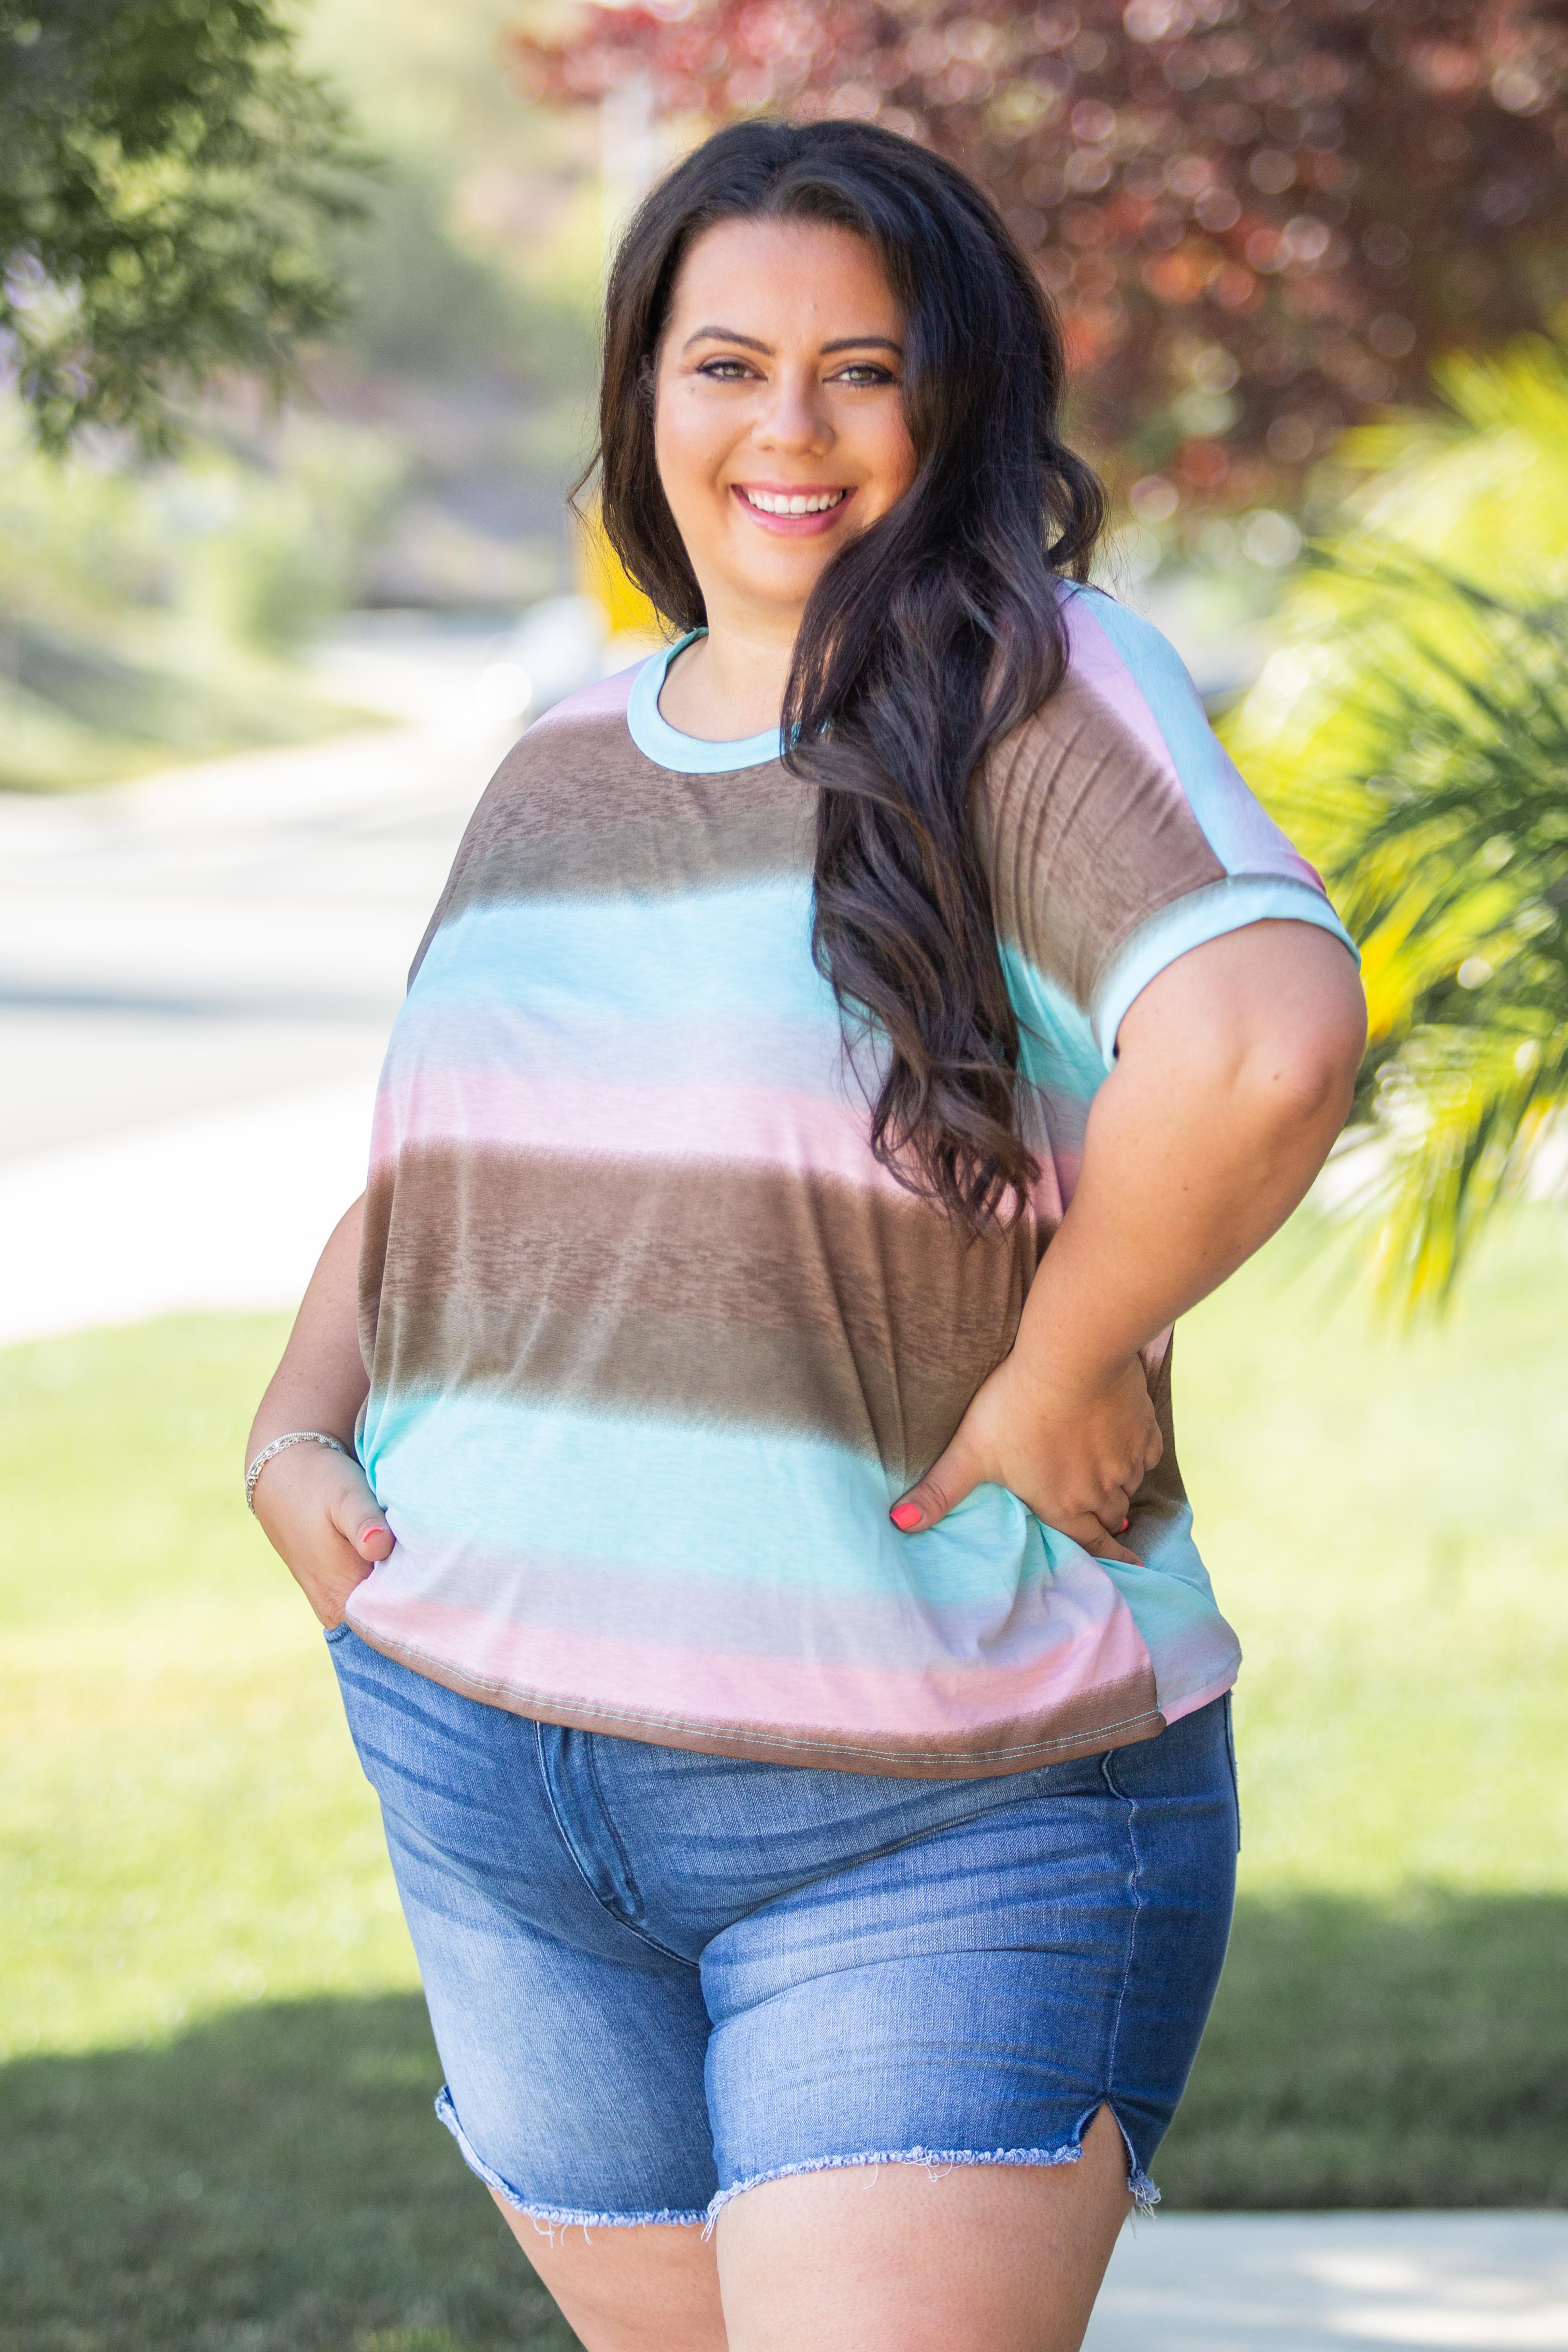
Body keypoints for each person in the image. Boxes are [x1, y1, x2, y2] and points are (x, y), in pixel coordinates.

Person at [247, 117, 1365, 2352]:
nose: (786, 428)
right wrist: (296, 1431)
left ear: (954, 400)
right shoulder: (566, 743)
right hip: (491, 1774)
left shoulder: (1026, 684)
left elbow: (1256, 1046)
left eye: (859, 369)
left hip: (930, 1803)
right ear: (640, 394)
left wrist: (1062, 1365)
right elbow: (460, 1159)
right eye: (724, 362)